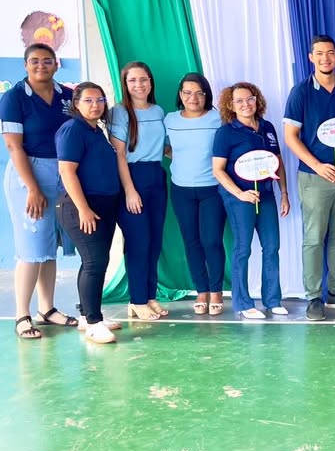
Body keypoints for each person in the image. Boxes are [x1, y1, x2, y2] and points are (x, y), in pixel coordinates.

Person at [284, 35, 335, 321]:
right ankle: (313, 297)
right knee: (314, 238)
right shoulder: (301, 92)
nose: (325, 58)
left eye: (330, 53)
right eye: (319, 53)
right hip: (314, 177)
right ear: (311, 57)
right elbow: (290, 137)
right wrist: (318, 165)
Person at [0, 43, 79, 339]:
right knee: (32, 249)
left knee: (49, 245)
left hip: (62, 173)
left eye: (47, 60)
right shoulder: (14, 98)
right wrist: (33, 188)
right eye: (35, 61)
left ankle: (47, 309)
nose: (41, 66)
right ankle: (22, 315)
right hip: (28, 175)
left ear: (56, 64)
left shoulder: (67, 96)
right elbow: (13, 146)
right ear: (25, 65)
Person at [212, 82, 290, 320]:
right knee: (242, 249)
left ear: (257, 100)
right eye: (239, 101)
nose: (245, 104)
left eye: (250, 99)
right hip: (240, 198)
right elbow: (218, 170)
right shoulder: (225, 133)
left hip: (265, 194)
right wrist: (240, 194)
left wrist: (284, 194)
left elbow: (277, 161)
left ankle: (272, 300)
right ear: (230, 105)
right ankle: (243, 304)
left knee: (272, 246)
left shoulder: (267, 127)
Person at [55, 82, 123, 344]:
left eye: (100, 100)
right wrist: (83, 209)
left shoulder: (97, 131)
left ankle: (87, 315)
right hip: (80, 207)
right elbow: (67, 171)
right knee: (94, 262)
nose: (95, 105)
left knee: (95, 262)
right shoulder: (72, 130)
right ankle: (94, 324)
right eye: (89, 100)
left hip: (105, 206)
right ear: (76, 104)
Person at [110, 62, 168, 321]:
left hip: (157, 177)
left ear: (151, 81)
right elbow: (119, 154)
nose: (139, 85)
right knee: (138, 242)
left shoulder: (158, 110)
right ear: (125, 84)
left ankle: (150, 295)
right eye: (132, 80)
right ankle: (137, 300)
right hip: (133, 178)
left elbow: (165, 148)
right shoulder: (119, 112)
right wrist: (130, 191)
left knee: (154, 242)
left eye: (143, 79)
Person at [165, 72, 225, 316]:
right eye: (188, 93)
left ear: (206, 95)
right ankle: (202, 290)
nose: (193, 98)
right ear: (180, 95)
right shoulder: (170, 120)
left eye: (199, 93)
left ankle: (217, 291)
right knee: (191, 241)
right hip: (181, 190)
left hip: (213, 189)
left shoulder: (218, 118)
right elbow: (163, 146)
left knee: (212, 241)